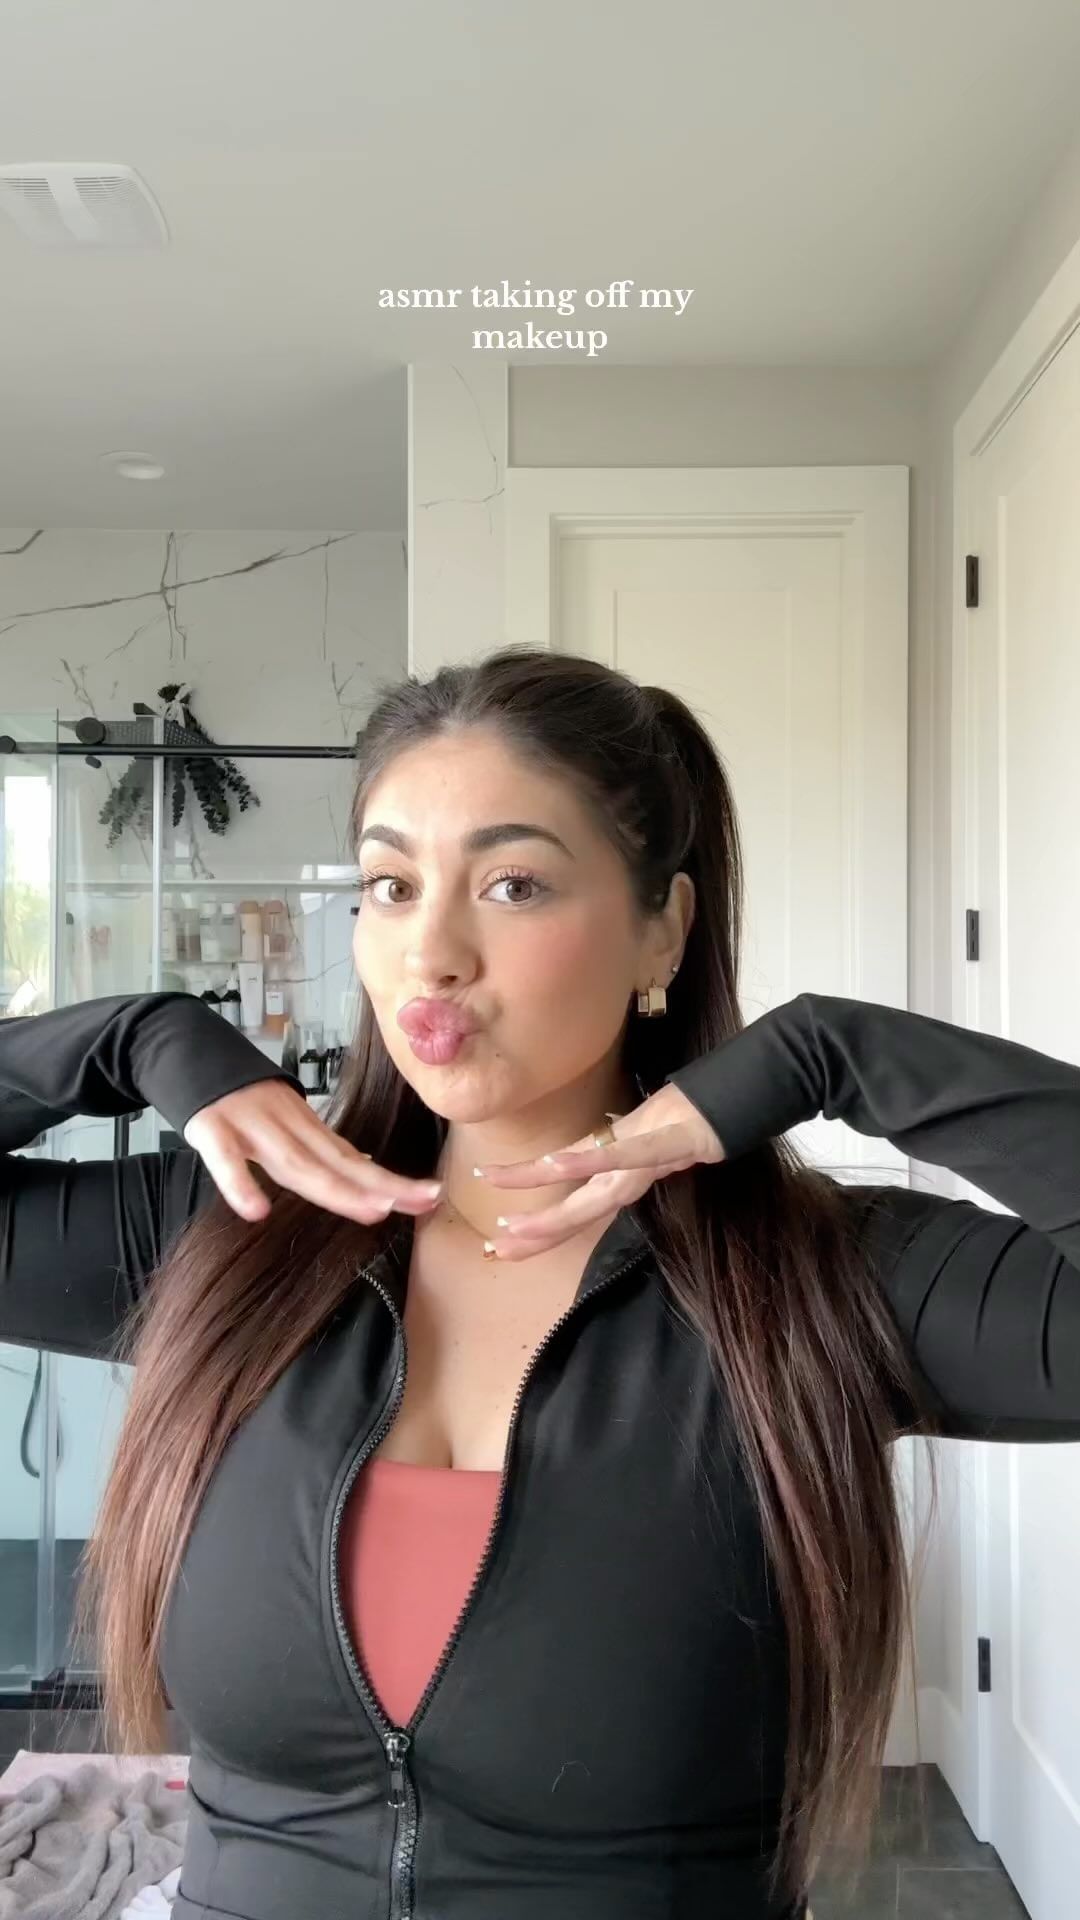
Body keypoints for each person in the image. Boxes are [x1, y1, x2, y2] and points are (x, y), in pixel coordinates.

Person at [0, 647, 1077, 1920]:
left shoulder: (812, 1282)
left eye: (513, 884)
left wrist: (835, 1053)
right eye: (392, 886)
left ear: (661, 927)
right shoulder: (234, 1238)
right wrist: (128, 1037)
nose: (431, 953)